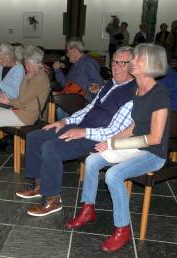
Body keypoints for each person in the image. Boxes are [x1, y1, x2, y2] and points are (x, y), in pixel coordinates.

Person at [66, 43, 170, 253]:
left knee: (113, 175)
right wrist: (111, 139)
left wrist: (114, 143)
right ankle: (88, 209)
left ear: (150, 64)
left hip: (153, 153)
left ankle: (122, 229)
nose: (133, 62)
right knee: (92, 159)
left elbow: (154, 138)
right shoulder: (139, 89)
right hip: (135, 145)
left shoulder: (159, 94)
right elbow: (134, 126)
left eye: (138, 59)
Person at [15, 46, 136, 216]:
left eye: (122, 63)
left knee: (51, 147)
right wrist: (65, 121)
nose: (116, 66)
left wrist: (84, 132)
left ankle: (53, 199)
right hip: (82, 129)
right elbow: (88, 109)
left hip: (98, 138)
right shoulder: (109, 85)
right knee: (35, 136)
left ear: (134, 65)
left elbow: (114, 131)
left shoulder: (134, 93)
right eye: (114, 61)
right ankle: (39, 185)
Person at [53, 38, 102, 118]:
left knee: (60, 108)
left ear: (75, 50)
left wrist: (93, 88)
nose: (66, 54)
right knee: (56, 102)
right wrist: (57, 70)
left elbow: (98, 84)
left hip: (83, 102)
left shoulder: (89, 62)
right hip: (71, 99)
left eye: (67, 51)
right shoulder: (74, 66)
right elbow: (65, 85)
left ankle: (65, 129)